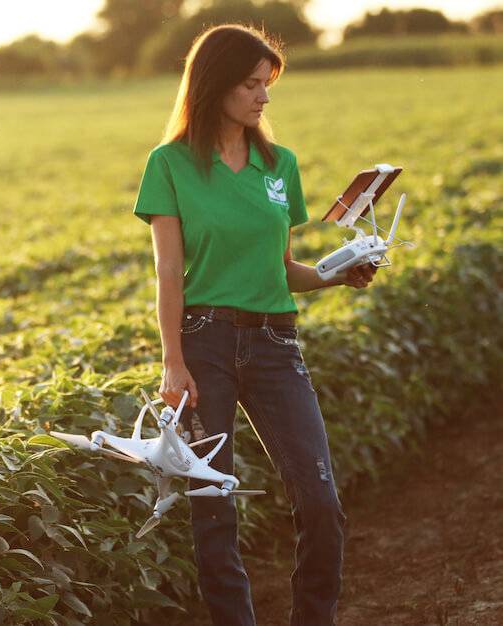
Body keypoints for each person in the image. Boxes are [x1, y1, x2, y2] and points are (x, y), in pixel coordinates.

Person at [131, 24, 377, 626]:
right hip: (203, 343)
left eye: (266, 85)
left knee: (320, 501)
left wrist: (337, 274)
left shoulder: (279, 165)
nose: (264, 97)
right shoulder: (168, 165)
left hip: (275, 344)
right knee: (213, 506)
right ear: (215, 85)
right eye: (251, 85)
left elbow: (282, 268)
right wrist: (173, 359)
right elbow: (168, 271)